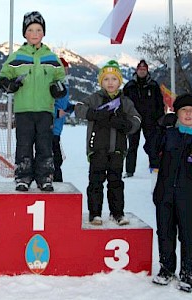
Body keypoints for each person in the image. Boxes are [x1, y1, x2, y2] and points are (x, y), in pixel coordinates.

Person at [151, 94, 192, 292]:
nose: (188, 114)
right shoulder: (168, 135)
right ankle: (166, 269)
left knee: (189, 235)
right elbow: (151, 151)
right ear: (177, 113)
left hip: (188, 196)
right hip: (164, 194)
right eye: (183, 110)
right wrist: (159, 128)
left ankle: (189, 273)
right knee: (165, 232)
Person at [0, 11, 67, 192]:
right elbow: (3, 77)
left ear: (43, 33)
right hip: (23, 110)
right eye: (30, 30)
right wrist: (8, 84)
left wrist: (59, 89)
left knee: (45, 145)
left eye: (38, 29)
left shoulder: (51, 57)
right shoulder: (17, 56)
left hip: (45, 110)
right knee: (24, 145)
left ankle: (45, 177)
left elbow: (61, 79)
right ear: (24, 33)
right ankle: (23, 177)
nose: (35, 33)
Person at [75, 60, 141, 226]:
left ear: (119, 81)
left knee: (116, 183)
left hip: (117, 151)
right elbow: (78, 108)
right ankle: (95, 213)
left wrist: (127, 124)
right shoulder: (95, 98)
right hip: (97, 149)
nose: (110, 82)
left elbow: (137, 119)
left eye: (114, 79)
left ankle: (117, 213)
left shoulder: (125, 102)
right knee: (95, 182)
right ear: (101, 82)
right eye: (106, 79)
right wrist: (93, 114)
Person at [123, 59, 165, 177]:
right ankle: (130, 171)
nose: (142, 71)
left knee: (153, 145)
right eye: (140, 69)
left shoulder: (153, 85)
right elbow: (123, 103)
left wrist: (159, 118)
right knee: (132, 146)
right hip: (134, 120)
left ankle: (155, 168)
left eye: (144, 69)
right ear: (136, 71)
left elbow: (160, 103)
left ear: (147, 71)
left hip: (150, 121)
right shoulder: (129, 86)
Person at [52, 57, 74, 182]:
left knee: (57, 158)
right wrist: (56, 113)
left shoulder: (64, 84)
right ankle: (55, 182)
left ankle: (56, 181)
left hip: (57, 128)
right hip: (50, 127)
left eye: (66, 68)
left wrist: (71, 107)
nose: (66, 71)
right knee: (55, 158)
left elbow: (63, 103)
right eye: (63, 68)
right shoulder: (54, 84)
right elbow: (45, 103)